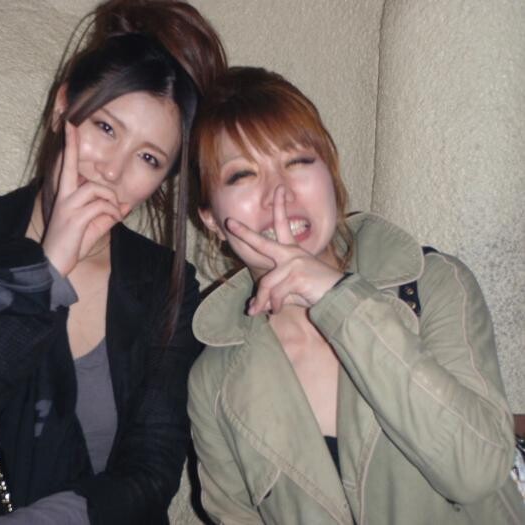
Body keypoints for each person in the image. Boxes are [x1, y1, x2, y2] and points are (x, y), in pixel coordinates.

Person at [0, 1, 227, 524]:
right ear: (63, 108)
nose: (113, 170)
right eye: (106, 128)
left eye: (149, 158)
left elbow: (152, 471)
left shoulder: (165, 284)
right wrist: (46, 274)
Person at [187, 67, 525, 524]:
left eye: (297, 161)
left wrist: (338, 299)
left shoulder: (432, 285)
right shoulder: (213, 380)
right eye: (243, 174)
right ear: (210, 218)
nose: (278, 193)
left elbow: (477, 471)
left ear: (330, 172)